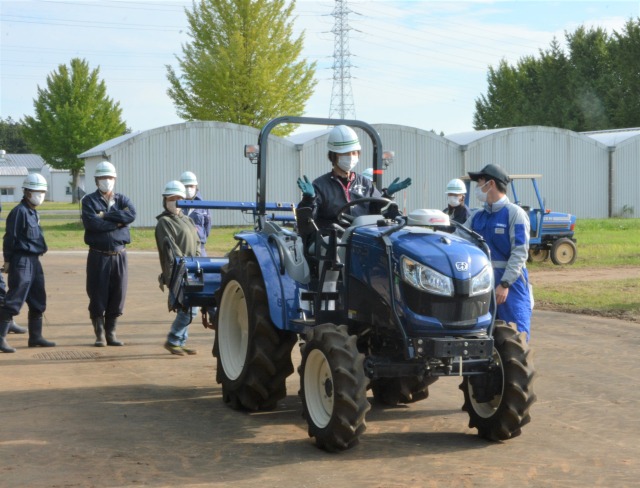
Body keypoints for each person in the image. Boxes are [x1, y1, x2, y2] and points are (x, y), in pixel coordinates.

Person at [460, 164, 532, 340]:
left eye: (480, 182)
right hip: (482, 283)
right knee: (481, 333)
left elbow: (520, 253)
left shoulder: (515, 214)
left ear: (490, 184)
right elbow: (459, 239)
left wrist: (505, 284)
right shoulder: (477, 216)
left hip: (511, 286)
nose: (477, 187)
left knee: (516, 335)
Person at [296, 125, 412, 233]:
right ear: (334, 156)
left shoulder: (365, 183)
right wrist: (309, 199)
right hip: (333, 239)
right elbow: (308, 220)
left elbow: (376, 209)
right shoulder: (320, 185)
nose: (351, 157)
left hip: (363, 236)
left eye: (354, 153)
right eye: (345, 153)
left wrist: (387, 194)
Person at [81, 161, 136, 347]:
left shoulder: (122, 200)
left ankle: (111, 333)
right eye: (103, 178)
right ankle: (99, 334)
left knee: (118, 293)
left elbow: (131, 215)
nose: (107, 181)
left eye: (110, 178)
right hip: (98, 255)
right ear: (96, 180)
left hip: (119, 255)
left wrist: (104, 216)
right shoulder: (88, 201)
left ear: (115, 179)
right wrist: (118, 223)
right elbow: (92, 224)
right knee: (97, 293)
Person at [0, 173, 55, 353]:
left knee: (38, 299)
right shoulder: (19, 212)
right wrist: (7, 260)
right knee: (15, 299)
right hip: (21, 260)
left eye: (42, 191)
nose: (39, 194)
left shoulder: (33, 212)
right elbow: (10, 237)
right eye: (35, 191)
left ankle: (36, 336)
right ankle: (1, 338)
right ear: (26, 192)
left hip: (34, 261)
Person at [155, 180, 201, 356]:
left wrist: (196, 261)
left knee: (188, 307)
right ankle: (173, 339)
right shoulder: (164, 222)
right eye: (171, 198)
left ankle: (180, 342)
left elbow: (197, 242)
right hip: (178, 271)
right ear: (165, 200)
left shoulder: (187, 219)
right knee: (189, 308)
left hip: (193, 268)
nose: (174, 201)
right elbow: (171, 248)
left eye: (178, 198)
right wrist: (183, 266)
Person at [179, 171, 211, 256]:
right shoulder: (177, 206)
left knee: (203, 268)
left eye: (191, 186)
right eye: (186, 186)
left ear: (196, 186)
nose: (188, 189)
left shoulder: (203, 205)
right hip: (182, 247)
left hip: (200, 247)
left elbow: (207, 226)